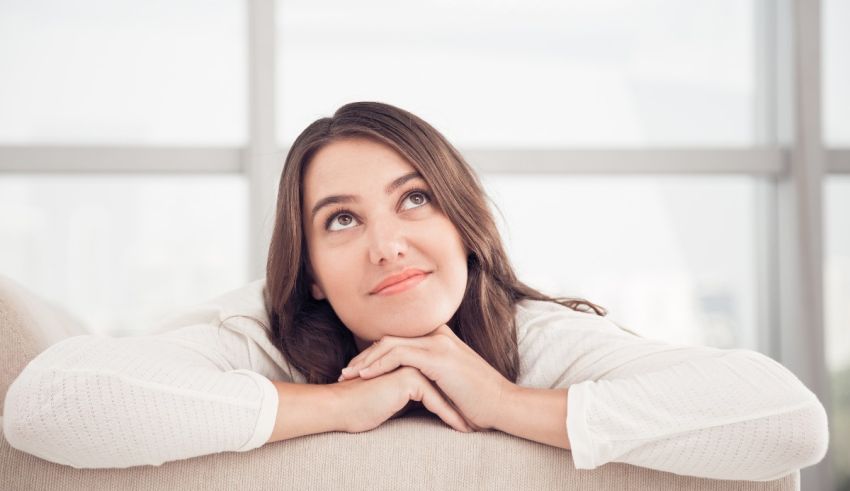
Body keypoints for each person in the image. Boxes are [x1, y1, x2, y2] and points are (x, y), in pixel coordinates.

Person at [3, 102, 829, 481]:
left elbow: (787, 420)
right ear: (313, 277)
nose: (388, 241)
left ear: (462, 222)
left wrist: (505, 401)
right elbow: (49, 402)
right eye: (340, 220)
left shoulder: (532, 330)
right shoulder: (255, 327)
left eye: (414, 198)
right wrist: (334, 408)